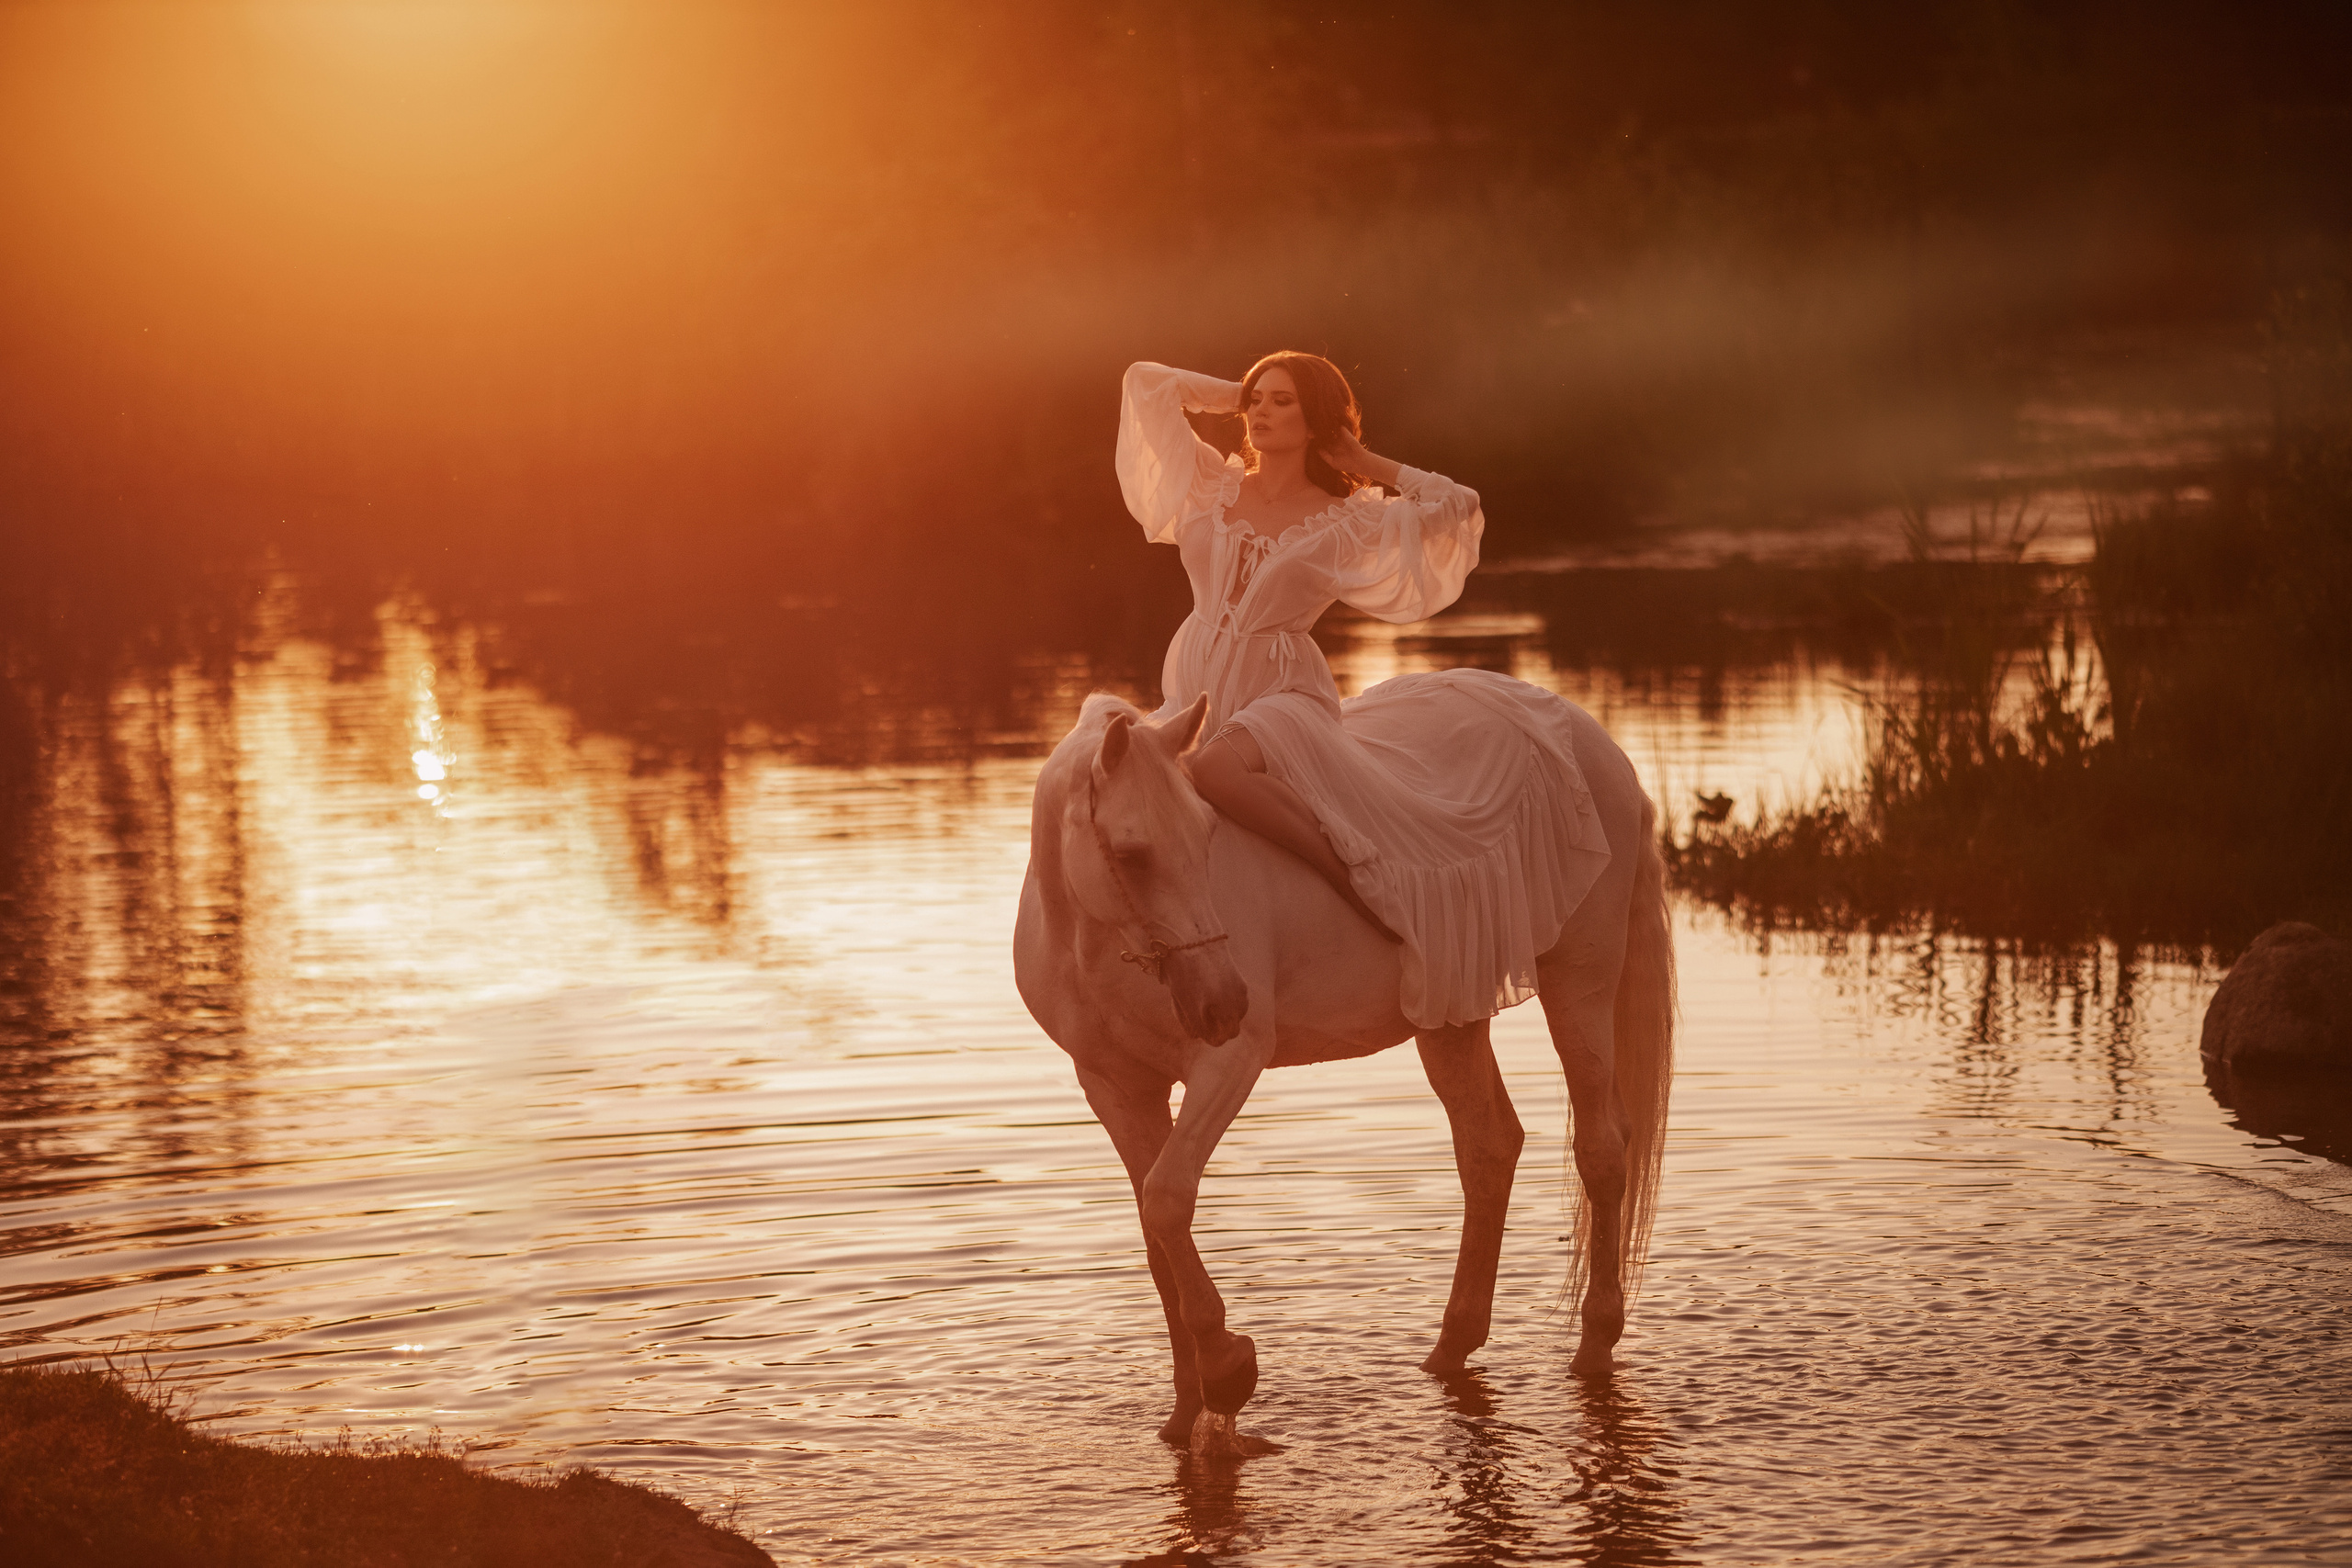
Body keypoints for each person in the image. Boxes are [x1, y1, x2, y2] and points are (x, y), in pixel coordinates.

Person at [1117, 354, 1611, 1030]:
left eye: (1283, 401)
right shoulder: (1212, 485)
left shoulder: (1345, 519)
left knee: (1213, 768)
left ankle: (1351, 876)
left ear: (1316, 418)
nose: (1261, 412)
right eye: (1258, 400)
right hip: (1194, 684)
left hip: (1281, 691)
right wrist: (1239, 391)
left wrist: (1363, 460)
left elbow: (1458, 508)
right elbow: (1146, 383)